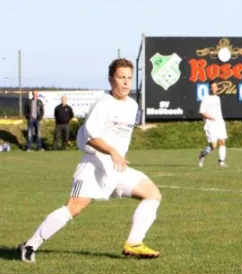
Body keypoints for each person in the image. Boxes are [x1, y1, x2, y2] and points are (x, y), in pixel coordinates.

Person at [17, 58, 162, 263]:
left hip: (117, 168)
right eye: (121, 77)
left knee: (152, 194)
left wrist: (116, 154)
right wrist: (112, 151)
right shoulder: (103, 104)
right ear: (110, 79)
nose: (126, 82)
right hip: (93, 166)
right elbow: (90, 137)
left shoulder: (132, 105)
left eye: (129, 78)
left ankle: (134, 243)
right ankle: (30, 245)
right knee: (74, 208)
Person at [197, 81, 228, 167]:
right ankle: (202, 155)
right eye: (212, 87)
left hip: (220, 123)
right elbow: (201, 112)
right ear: (209, 88)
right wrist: (210, 118)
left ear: (217, 88)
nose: (213, 89)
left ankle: (221, 162)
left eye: (215, 87)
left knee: (222, 142)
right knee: (213, 146)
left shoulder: (217, 98)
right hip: (210, 124)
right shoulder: (206, 99)